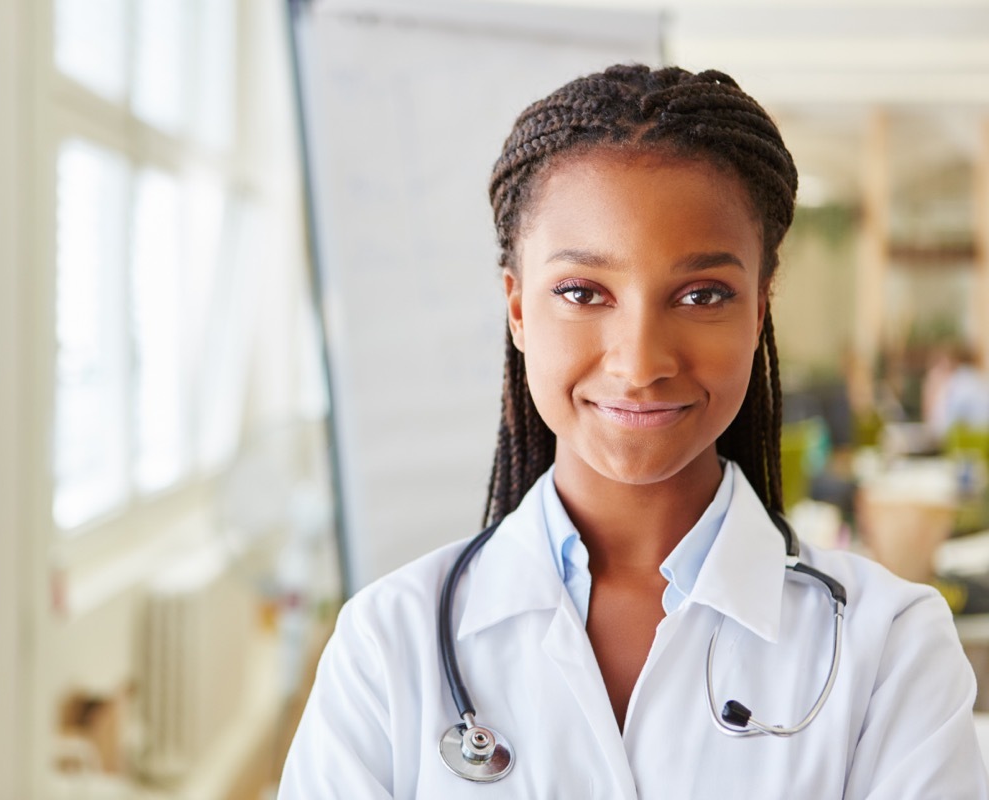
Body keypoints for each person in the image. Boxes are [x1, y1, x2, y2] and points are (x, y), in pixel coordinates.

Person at [278, 65, 988, 798]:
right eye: (583, 293)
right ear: (517, 309)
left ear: (758, 309)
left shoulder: (892, 649)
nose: (641, 362)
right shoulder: (387, 644)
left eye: (702, 294)